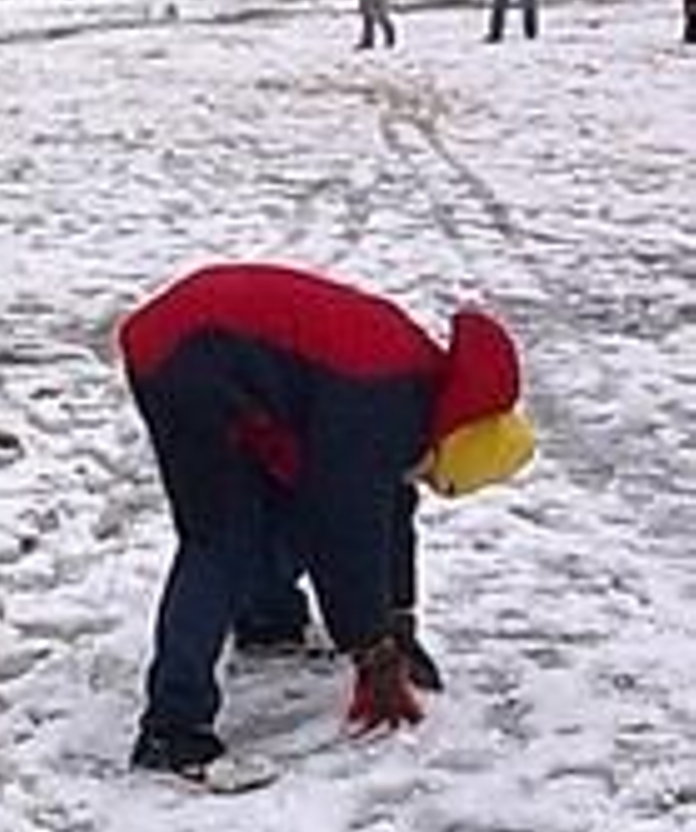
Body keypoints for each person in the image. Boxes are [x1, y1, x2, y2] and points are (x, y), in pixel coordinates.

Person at [118, 262, 535, 787]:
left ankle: (268, 623)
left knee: (284, 496)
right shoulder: (380, 405)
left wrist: (398, 621)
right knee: (220, 538)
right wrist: (372, 649)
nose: (424, 483)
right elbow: (346, 533)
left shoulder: (417, 393)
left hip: (209, 343)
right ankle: (172, 731)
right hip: (186, 353)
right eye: (438, 479)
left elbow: (390, 511)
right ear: (451, 445)